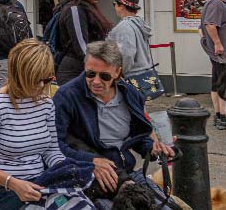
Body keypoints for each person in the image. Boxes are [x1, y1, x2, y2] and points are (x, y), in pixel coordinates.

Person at [0, 39, 92, 210]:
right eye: (36, 80)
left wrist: (65, 170)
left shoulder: (45, 104)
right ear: (19, 75)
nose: (42, 86)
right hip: (1, 191)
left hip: (38, 184)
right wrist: (13, 183)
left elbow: (51, 150)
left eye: (47, 79)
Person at [53, 38, 174, 201]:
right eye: (90, 73)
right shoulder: (67, 96)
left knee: (165, 205)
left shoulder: (131, 95)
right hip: (88, 177)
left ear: (117, 72)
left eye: (104, 76)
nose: (96, 81)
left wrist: (153, 149)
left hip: (125, 172)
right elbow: (54, 144)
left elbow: (137, 138)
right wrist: (91, 161)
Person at [110, 0, 168, 140]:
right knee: (140, 111)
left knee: (137, 114)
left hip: (131, 75)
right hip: (145, 74)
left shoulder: (124, 27)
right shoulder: (139, 23)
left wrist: (120, 73)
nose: (114, 7)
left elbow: (127, 53)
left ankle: (159, 144)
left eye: (115, 4)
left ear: (121, 6)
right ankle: (159, 142)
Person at [48, 0, 110, 88]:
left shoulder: (84, 8)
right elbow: (81, 47)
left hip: (85, 68)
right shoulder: (74, 10)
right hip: (74, 72)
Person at [198, 0, 226, 131]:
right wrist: (217, 44)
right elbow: (209, 24)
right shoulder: (216, 4)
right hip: (221, 53)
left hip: (219, 52)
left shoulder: (215, 4)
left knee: (217, 82)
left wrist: (206, 41)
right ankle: (223, 117)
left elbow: (201, 29)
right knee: (222, 83)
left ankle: (220, 115)